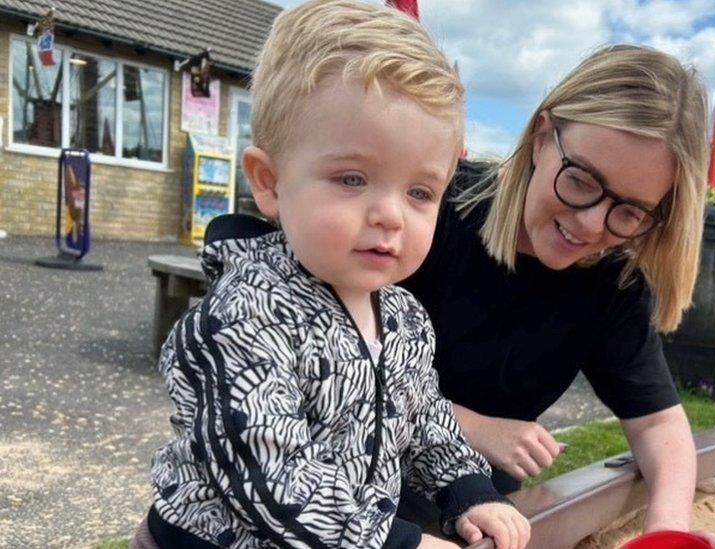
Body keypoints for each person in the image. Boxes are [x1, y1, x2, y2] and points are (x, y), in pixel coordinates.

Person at [135, 2, 530, 548]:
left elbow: (424, 419)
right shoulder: (245, 319)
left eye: (420, 192)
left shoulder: (403, 317)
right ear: (270, 183)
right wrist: (402, 543)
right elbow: (272, 479)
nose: (390, 214)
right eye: (352, 178)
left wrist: (466, 488)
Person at [398, 45, 715, 548]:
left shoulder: (613, 281)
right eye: (581, 180)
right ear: (541, 136)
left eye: (631, 212)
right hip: (345, 483)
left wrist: (667, 532)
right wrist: (475, 428)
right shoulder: (431, 213)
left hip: (477, 507)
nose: (591, 224)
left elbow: (659, 422)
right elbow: (324, 365)